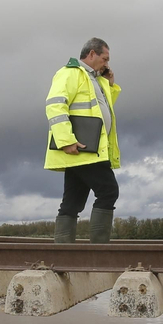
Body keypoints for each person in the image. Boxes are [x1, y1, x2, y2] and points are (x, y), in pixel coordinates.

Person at [44, 38, 122, 243]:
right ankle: (98, 252)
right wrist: (65, 140)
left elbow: (99, 109)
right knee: (108, 191)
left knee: (72, 202)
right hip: (83, 149)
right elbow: (55, 105)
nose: (107, 64)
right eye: (104, 59)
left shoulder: (94, 79)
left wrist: (110, 85)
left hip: (85, 150)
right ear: (92, 54)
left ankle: (64, 254)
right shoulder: (70, 73)